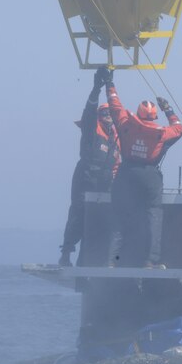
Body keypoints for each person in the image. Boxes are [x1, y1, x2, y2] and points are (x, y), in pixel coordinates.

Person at [105, 68, 182, 267]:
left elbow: (114, 105)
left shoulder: (126, 123)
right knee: (154, 215)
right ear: (154, 116)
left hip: (126, 173)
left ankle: (110, 261)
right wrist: (169, 110)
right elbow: (179, 128)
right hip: (150, 177)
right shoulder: (161, 133)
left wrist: (110, 83)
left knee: (119, 216)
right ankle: (151, 261)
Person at [58, 68, 120, 267]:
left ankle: (84, 261)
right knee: (78, 215)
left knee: (96, 224)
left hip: (105, 183)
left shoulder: (117, 139)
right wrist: (97, 88)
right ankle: (66, 254)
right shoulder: (92, 130)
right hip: (85, 178)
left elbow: (118, 164)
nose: (108, 115)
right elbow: (89, 111)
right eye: (104, 113)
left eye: (110, 112)